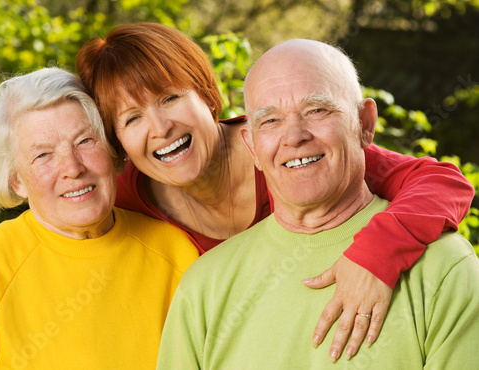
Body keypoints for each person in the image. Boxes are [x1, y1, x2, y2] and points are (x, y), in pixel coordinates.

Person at [75, 23, 475, 358]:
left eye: (170, 98)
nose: (160, 128)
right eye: (131, 118)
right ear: (118, 144)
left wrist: (378, 255)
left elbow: (442, 183)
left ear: (207, 95)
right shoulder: (124, 201)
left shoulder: (294, 152)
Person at [0, 67, 198, 369]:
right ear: (17, 181)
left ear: (110, 149)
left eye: (84, 141)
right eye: (43, 155)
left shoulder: (175, 252)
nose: (72, 167)